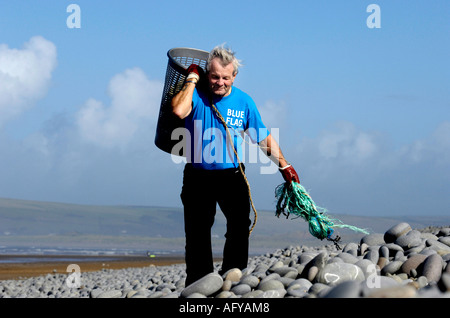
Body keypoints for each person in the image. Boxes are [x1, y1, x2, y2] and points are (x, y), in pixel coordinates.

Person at [171, 45, 299, 286]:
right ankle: (200, 283)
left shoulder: (244, 101)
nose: (220, 82)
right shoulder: (196, 94)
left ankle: (233, 275)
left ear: (234, 76)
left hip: (232, 173)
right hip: (197, 176)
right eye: (215, 76)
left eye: (225, 78)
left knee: (240, 224)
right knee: (197, 232)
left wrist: (285, 166)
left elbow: (262, 137)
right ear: (207, 74)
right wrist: (191, 78)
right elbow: (178, 110)